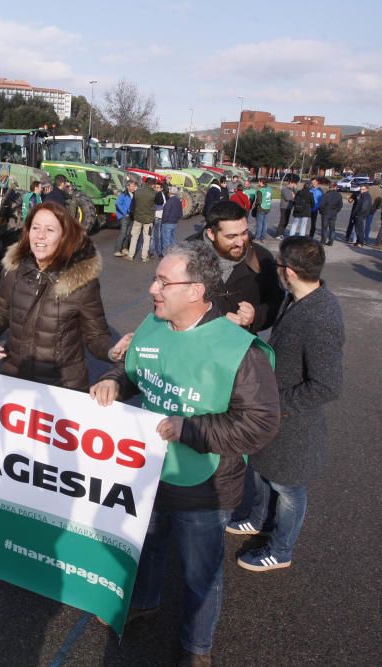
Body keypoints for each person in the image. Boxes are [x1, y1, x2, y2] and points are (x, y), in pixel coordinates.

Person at [89, 242, 280, 665]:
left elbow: (261, 423)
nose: (153, 288)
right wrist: (114, 382)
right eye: (155, 278)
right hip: (149, 472)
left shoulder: (238, 350)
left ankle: (197, 648)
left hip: (206, 485)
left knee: (201, 576)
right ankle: (144, 601)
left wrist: (191, 429)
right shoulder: (154, 324)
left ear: (196, 291)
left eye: (163, 281)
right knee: (149, 547)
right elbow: (134, 370)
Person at [229, 237, 343, 572]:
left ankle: (281, 550)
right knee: (263, 471)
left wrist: (274, 404)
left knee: (288, 487)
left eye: (278, 265)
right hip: (275, 415)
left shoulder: (320, 317)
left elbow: (327, 386)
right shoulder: (297, 298)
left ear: (288, 272)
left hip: (293, 421)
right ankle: (259, 519)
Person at [0, 201, 120, 391]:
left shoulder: (81, 282)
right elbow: (0, 311)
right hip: (14, 378)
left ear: (64, 236)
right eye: (35, 228)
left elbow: (96, 336)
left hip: (62, 387)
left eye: (50, 230)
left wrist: (112, 351)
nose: (40, 235)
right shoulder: (13, 270)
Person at [197, 201, 284, 332]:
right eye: (231, 236)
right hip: (198, 346)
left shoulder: (262, 258)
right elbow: (168, 307)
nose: (240, 242)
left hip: (244, 347)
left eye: (244, 233)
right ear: (211, 234)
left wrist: (256, 317)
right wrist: (213, 321)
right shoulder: (185, 257)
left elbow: (275, 302)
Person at [126, 178, 157, 262]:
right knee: (147, 238)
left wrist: (134, 215)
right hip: (148, 220)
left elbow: (132, 206)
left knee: (134, 237)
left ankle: (130, 255)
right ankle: (144, 257)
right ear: (153, 185)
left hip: (137, 218)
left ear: (145, 183)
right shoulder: (154, 194)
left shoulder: (137, 192)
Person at [114, 180, 138, 257]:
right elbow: (118, 204)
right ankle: (117, 250)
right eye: (132, 186)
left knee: (128, 234)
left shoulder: (134, 195)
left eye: (134, 186)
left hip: (132, 217)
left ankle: (124, 249)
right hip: (125, 216)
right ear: (128, 187)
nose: (134, 187)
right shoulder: (123, 195)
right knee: (123, 233)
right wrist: (125, 212)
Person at [318, 179, 343, 246]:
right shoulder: (339, 195)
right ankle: (331, 241)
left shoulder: (326, 194)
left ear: (330, 187)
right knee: (332, 228)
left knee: (324, 227)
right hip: (333, 213)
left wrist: (321, 211)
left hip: (326, 212)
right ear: (335, 187)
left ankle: (323, 241)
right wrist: (336, 211)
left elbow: (321, 204)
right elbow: (340, 205)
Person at [161, 186, 183, 252]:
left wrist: (163, 221)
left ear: (170, 193)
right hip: (174, 222)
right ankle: (174, 253)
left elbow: (165, 213)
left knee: (166, 241)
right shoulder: (178, 201)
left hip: (167, 223)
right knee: (173, 240)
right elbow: (180, 213)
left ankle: (166, 255)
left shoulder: (169, 202)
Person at [253, 177, 272, 241]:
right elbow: (270, 198)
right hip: (267, 207)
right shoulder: (269, 189)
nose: (258, 183)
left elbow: (258, 201)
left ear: (261, 182)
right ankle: (263, 236)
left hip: (261, 207)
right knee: (265, 223)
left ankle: (257, 237)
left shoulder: (260, 190)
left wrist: (256, 206)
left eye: (259, 181)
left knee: (259, 223)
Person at [152, 180, 166, 259]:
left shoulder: (160, 195)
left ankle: (158, 251)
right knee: (154, 235)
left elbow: (160, 204)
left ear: (161, 189)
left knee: (157, 236)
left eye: (158, 187)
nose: (156, 189)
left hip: (158, 218)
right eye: (155, 187)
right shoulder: (160, 195)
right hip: (156, 217)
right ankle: (153, 251)